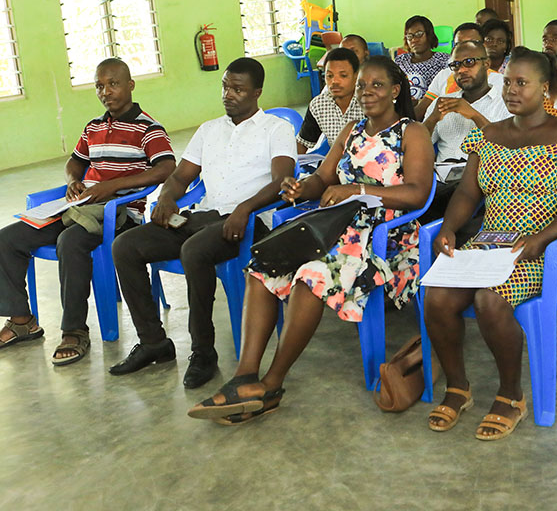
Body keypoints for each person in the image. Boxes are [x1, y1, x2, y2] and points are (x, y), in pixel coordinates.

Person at [186, 56, 434, 424]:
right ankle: (245, 376)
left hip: (386, 239)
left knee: (309, 278)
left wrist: (357, 188)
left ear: (396, 91)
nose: (367, 93)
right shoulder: (351, 131)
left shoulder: (412, 133)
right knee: (262, 267)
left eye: (377, 85)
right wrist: (300, 188)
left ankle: (271, 384)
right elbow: (321, 178)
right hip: (334, 228)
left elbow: (417, 193)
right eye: (363, 86)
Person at [424, 46, 557, 441]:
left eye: (522, 83)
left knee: (490, 299)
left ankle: (510, 394)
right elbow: (468, 195)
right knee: (436, 295)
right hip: (489, 244)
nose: (511, 91)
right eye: (508, 82)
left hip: (541, 249)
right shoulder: (488, 136)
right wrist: (450, 228)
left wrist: (542, 238)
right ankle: (458, 386)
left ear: (546, 89)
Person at [110, 58, 297, 389]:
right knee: (126, 245)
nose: (228, 94)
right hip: (207, 216)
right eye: (225, 86)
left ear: (257, 92)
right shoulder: (209, 129)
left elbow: (282, 181)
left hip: (251, 222)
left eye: (237, 89)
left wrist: (245, 208)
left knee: (194, 250)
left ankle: (203, 352)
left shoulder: (276, 129)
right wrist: (167, 198)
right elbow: (181, 176)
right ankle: (154, 343)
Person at [0, 59, 175, 364]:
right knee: (8, 239)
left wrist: (114, 186)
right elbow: (75, 162)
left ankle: (74, 331)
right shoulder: (93, 127)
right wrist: (73, 182)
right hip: (80, 208)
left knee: (71, 242)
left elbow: (166, 168)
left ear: (130, 85)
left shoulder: (148, 128)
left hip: (118, 216)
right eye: (99, 85)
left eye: (113, 83)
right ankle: (21, 321)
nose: (105, 91)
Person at [421, 40, 512, 224]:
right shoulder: (442, 102)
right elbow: (419, 145)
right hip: (442, 181)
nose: (461, 70)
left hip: (483, 183)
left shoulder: (506, 102)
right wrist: (432, 119)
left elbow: (506, 147)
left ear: (486, 64)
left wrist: (473, 115)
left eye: (469, 62)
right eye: (455, 65)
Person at [415, 23, 504, 121]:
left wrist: (472, 113)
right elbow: (422, 110)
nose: (464, 48)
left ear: (483, 46)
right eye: (459, 44)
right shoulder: (444, 75)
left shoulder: (500, 81)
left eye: (471, 43)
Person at [297, 48, 364, 155]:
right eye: (329, 76)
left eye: (343, 75)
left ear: (356, 76)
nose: (334, 81)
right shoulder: (318, 105)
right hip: (335, 165)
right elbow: (303, 143)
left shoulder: (368, 101)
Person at [395, 15, 448, 101]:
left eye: (419, 34)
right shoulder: (400, 61)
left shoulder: (443, 60)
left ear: (429, 34)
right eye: (409, 36)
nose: (414, 40)